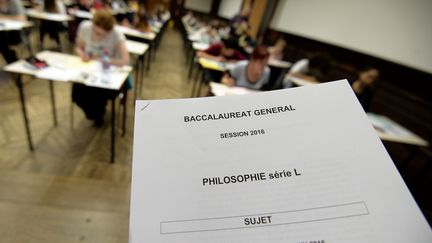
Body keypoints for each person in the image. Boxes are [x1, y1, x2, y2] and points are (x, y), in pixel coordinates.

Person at [72, 10, 129, 127]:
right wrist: (82, 54)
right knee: (76, 95)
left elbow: (125, 60)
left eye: (102, 34)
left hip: (107, 72)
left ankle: (99, 115)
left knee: (97, 96)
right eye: (96, 32)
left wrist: (102, 60)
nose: (98, 36)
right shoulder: (85, 27)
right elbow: (78, 47)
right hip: (89, 69)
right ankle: (95, 114)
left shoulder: (116, 34)